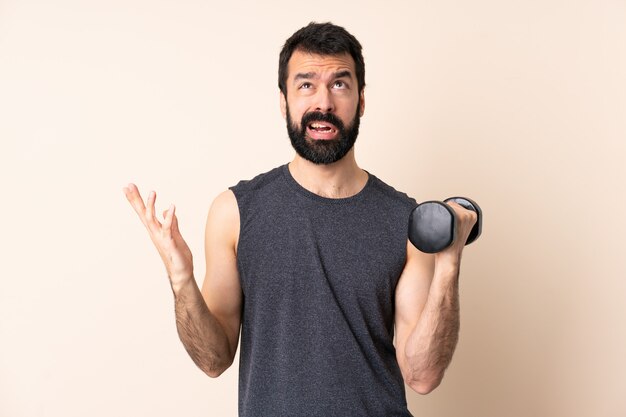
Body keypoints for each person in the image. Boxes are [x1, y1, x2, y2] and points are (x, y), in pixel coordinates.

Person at [123, 22, 477, 417]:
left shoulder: (405, 222)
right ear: (283, 101)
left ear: (361, 100)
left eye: (340, 84)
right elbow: (213, 360)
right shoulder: (235, 212)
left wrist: (449, 262)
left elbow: (422, 375)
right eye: (306, 85)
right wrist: (182, 280)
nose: (323, 103)